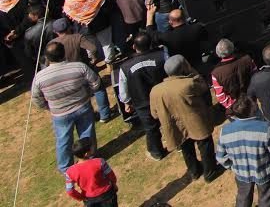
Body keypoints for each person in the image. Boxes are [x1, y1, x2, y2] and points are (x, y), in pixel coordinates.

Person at [31, 41, 103, 173]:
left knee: (63, 139)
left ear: (47, 57)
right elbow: (96, 82)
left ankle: (66, 168)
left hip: (60, 113)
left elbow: (36, 98)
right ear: (63, 54)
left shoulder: (40, 77)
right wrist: (88, 93)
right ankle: (90, 156)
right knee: (87, 133)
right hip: (82, 106)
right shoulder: (78, 67)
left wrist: (48, 107)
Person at [150, 55, 221, 182]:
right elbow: (203, 86)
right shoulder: (189, 83)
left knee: (186, 148)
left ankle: (194, 171)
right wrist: (192, 71)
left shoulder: (155, 91)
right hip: (196, 122)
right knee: (205, 145)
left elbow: (154, 114)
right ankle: (210, 172)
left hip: (175, 126)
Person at [216, 94, 270, 207]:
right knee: (266, 198)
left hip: (241, 173)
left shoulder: (225, 131)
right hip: (265, 172)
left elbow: (220, 157)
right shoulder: (266, 129)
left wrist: (233, 166)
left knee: (243, 198)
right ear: (252, 110)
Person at [49, 18, 115, 123]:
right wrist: (93, 58)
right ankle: (105, 115)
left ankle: (91, 117)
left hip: (67, 74)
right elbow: (93, 48)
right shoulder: (77, 37)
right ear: (69, 27)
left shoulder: (52, 43)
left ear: (56, 32)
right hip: (84, 68)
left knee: (81, 96)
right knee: (98, 89)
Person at [117, 32, 167, 160]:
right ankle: (178, 144)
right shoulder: (162, 55)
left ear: (134, 46)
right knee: (169, 119)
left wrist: (126, 102)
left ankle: (156, 152)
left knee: (151, 128)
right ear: (150, 44)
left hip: (141, 101)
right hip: (162, 96)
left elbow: (123, 88)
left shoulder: (125, 66)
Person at [63, 137, 118, 207]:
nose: (93, 148)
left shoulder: (70, 172)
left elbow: (70, 191)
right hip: (107, 195)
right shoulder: (100, 162)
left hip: (90, 200)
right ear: (86, 153)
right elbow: (111, 176)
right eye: (91, 147)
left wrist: (81, 197)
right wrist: (114, 184)